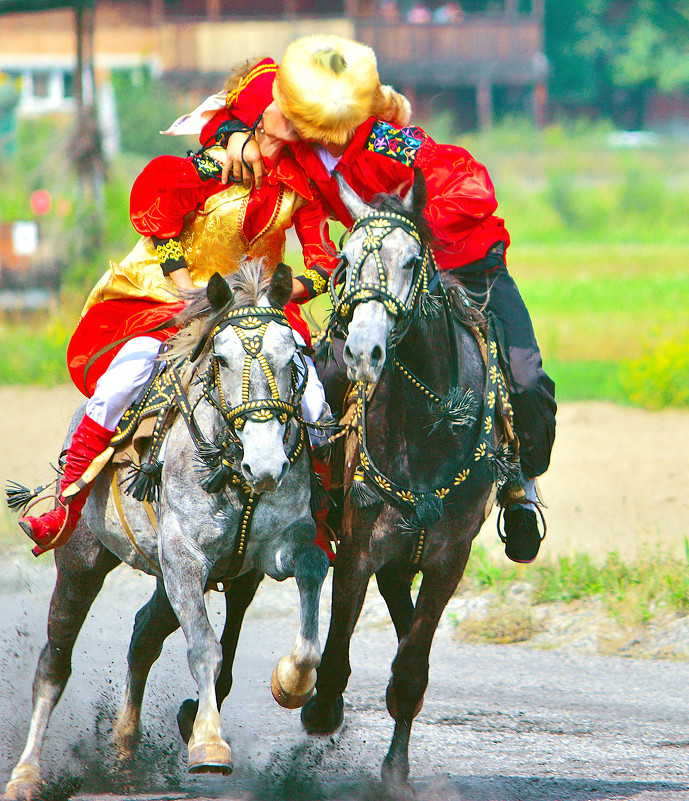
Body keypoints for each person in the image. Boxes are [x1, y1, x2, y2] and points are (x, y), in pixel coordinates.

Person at [217, 35, 556, 564]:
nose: (270, 117)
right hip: (385, 279)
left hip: (465, 264)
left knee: (527, 380)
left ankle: (520, 485)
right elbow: (249, 85)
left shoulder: (384, 142)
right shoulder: (299, 142)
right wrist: (234, 133)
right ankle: (318, 501)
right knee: (323, 376)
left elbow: (472, 183)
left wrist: (409, 227)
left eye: (275, 115)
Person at [19, 58, 338, 558]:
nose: (298, 115)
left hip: (258, 311)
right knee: (123, 379)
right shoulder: (214, 163)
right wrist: (189, 292)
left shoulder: (302, 186)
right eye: (285, 105)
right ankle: (65, 504)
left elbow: (322, 265)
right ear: (257, 114)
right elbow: (161, 219)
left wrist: (277, 292)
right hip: (175, 300)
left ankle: (320, 520)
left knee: (316, 401)